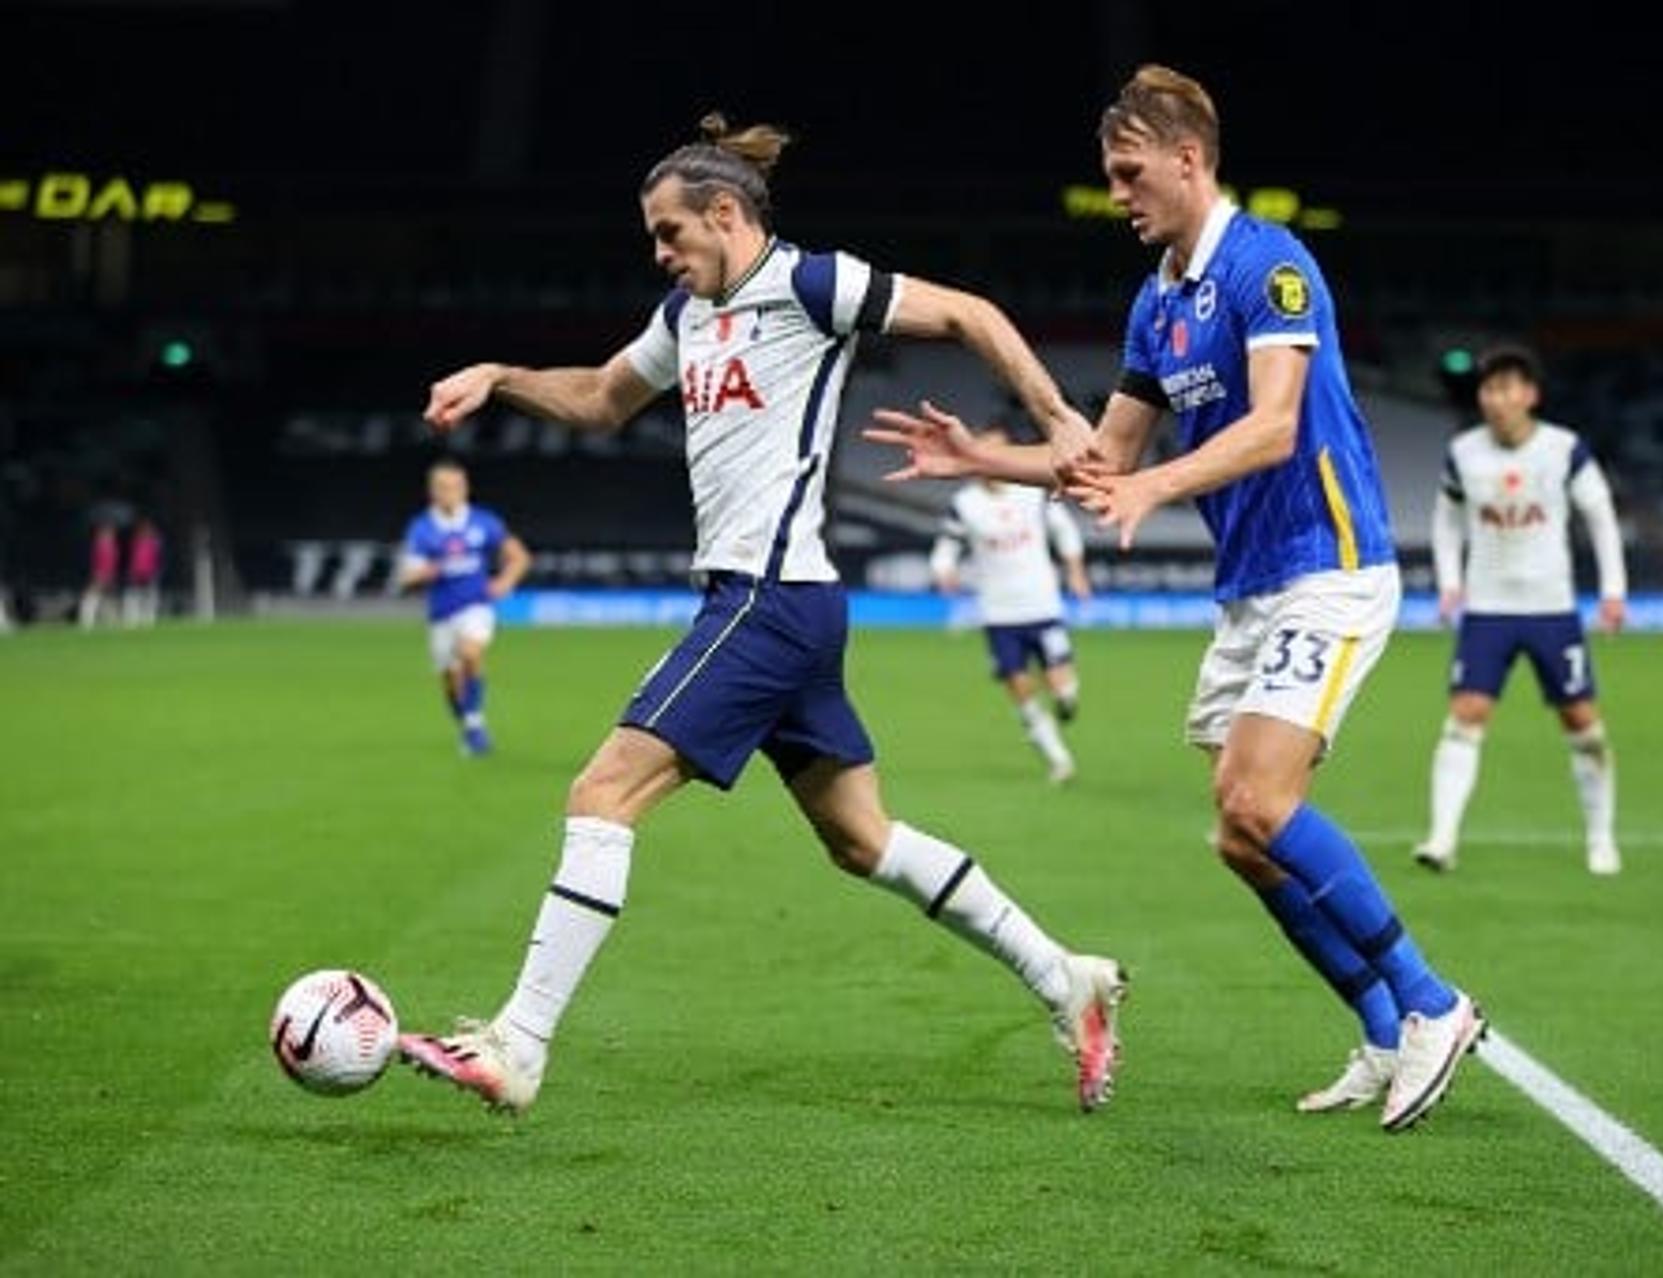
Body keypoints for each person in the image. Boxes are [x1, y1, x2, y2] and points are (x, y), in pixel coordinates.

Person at [397, 115, 1127, 1117]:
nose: (659, 254)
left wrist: (1056, 420)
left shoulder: (811, 285)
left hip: (768, 601)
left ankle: (518, 1044)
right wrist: (500, 375)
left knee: (603, 791)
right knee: (862, 839)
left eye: (670, 233)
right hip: (787, 604)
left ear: (726, 214)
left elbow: (971, 314)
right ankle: (1065, 978)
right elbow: (603, 398)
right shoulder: (686, 313)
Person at [869, 65, 1482, 1131]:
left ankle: (1433, 1003)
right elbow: (1106, 456)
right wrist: (982, 459)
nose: (1115, 193)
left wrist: (1151, 486)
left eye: (1127, 171)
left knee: (1259, 803)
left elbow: (1276, 424)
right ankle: (1384, 1035)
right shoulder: (1159, 300)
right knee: (1240, 837)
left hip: (1329, 565)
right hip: (1249, 590)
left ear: (1188, 158)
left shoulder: (1271, 265)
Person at [1415, 345, 1627, 876]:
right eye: (1489, 389)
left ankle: (1601, 839)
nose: (1497, 399)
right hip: (1487, 610)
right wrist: (1450, 584)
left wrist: (1613, 591)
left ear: (1530, 395)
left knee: (1582, 722)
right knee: (1466, 716)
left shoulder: (1565, 449)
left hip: (1552, 609)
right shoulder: (1463, 452)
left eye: (1508, 388)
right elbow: (1445, 522)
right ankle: (1441, 839)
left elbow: (1600, 517)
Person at [929, 424, 1094, 785]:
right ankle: (1058, 759)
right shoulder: (965, 504)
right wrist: (944, 572)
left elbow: (1064, 531)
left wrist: (1076, 572)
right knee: (1020, 690)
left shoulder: (1032, 493)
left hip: (1043, 605)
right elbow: (947, 547)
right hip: (998, 613)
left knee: (1061, 685)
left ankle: (1066, 699)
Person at [396, 458, 531, 756]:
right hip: (441, 613)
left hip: (476, 606)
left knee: (470, 653)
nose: (450, 492)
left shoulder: (483, 522)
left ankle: (474, 722)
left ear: (465, 488)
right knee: (450, 681)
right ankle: (470, 724)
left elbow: (519, 556)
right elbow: (406, 576)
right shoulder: (422, 528)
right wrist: (424, 573)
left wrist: (505, 581)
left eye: (456, 486)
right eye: (443, 487)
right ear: (432, 491)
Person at [121, 515, 165, 628]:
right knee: (133, 597)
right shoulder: (134, 542)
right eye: (143, 529)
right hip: (136, 573)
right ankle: (132, 619)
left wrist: (158, 572)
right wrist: (130, 572)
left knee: (151, 597)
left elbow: (160, 559)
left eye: (148, 528)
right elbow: (130, 559)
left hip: (150, 573)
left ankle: (149, 619)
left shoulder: (156, 543)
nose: (146, 531)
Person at [77, 519, 119, 630]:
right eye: (107, 532)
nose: (110, 534)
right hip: (100, 575)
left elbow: (112, 563)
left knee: (108, 599)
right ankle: (86, 622)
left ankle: (109, 622)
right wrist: (97, 574)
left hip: (108, 575)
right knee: (92, 598)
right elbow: (95, 562)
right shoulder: (99, 546)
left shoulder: (112, 546)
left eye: (110, 532)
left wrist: (111, 575)